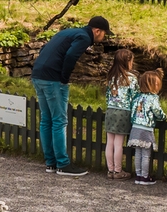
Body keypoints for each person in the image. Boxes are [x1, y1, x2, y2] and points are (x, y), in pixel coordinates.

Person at [30, 16, 111, 177]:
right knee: (59, 120)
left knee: (47, 119)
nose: (104, 37)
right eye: (104, 34)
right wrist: (64, 79)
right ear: (97, 31)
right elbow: (70, 56)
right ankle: (63, 164)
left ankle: (51, 162)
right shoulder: (84, 37)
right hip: (53, 79)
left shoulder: (69, 32)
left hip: (38, 74)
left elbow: (45, 48)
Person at [102, 48, 138, 179]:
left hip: (111, 110)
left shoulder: (111, 77)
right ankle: (118, 171)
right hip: (124, 112)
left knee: (109, 142)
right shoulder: (131, 78)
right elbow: (135, 96)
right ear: (127, 61)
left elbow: (107, 95)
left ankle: (110, 169)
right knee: (118, 143)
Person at [128, 70, 167, 185]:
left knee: (138, 153)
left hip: (135, 126)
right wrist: (163, 116)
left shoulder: (137, 97)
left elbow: (132, 110)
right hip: (146, 128)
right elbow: (157, 111)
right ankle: (145, 177)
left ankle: (138, 175)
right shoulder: (153, 98)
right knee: (146, 154)